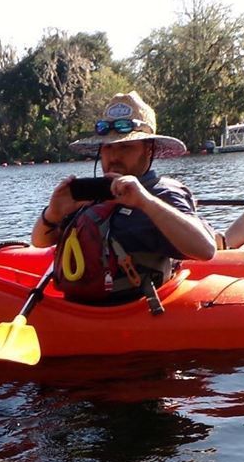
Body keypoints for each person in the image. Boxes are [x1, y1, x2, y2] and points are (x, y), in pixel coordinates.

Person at [32, 91, 215, 307]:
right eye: (108, 147)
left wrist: (144, 202)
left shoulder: (163, 194)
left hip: (136, 314)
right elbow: (39, 241)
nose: (114, 156)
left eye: (125, 147)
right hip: (82, 315)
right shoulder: (93, 193)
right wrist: (53, 213)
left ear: (148, 150)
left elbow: (206, 249)